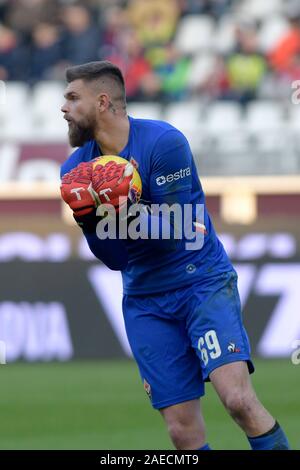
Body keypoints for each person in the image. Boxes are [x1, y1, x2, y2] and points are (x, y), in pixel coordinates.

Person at [60, 60, 290, 450]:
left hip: (200, 283)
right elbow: (115, 259)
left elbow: (183, 228)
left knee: (238, 401)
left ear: (102, 102)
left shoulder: (163, 143)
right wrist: (88, 218)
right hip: (146, 300)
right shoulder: (76, 169)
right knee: (182, 434)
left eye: (72, 98)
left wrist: (123, 208)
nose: (63, 107)